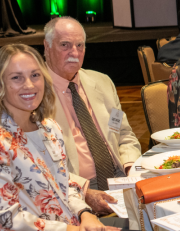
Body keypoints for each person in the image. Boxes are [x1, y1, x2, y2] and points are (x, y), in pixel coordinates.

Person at [0, 44, 116, 231]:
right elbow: (6, 221)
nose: (29, 85)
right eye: (16, 78)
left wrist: (85, 214)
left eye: (35, 75)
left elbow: (64, 184)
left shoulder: (50, 128)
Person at [44, 17, 141, 195]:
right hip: (73, 192)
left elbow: (123, 133)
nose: (74, 52)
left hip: (119, 179)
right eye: (65, 45)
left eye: (79, 45)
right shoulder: (35, 95)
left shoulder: (102, 82)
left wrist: (130, 166)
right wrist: (85, 192)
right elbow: (40, 165)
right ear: (47, 47)